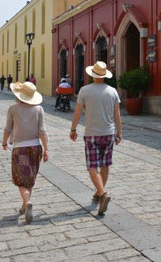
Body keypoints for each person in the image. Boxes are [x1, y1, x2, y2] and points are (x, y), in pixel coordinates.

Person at [69, 61, 122, 215]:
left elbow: (78, 112)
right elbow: (117, 114)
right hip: (109, 133)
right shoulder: (113, 91)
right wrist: (119, 133)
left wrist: (73, 129)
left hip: (92, 134)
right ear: (105, 75)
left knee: (92, 166)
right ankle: (99, 193)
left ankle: (103, 193)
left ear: (92, 74)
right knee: (105, 165)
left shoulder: (85, 91)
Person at [2, 82, 49, 224]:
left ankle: (27, 202)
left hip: (20, 149)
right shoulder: (39, 109)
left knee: (21, 178)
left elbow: (7, 129)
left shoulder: (13, 109)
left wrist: (4, 142)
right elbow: (42, 131)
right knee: (30, 177)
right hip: (35, 148)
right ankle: (24, 205)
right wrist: (46, 149)